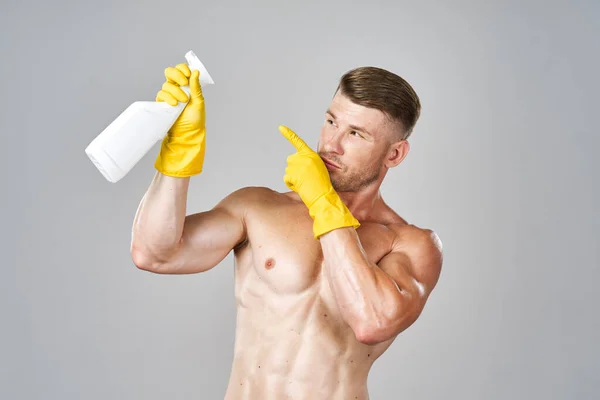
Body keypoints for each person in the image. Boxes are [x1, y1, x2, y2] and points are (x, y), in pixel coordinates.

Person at [130, 61, 443, 400]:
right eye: (331, 122)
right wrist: (178, 157)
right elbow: (154, 254)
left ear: (395, 154)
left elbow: (371, 323)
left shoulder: (410, 244)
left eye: (356, 134)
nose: (332, 144)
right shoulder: (260, 208)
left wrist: (324, 202)